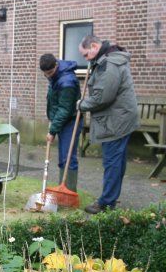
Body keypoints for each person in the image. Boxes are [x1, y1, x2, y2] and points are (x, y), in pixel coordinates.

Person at [77, 34, 139, 214]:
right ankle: (110, 198)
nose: (85, 59)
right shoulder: (108, 60)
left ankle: (106, 202)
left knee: (112, 161)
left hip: (116, 120)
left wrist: (81, 105)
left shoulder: (109, 64)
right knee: (117, 160)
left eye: (86, 55)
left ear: (95, 46)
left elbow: (103, 97)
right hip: (121, 116)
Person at [39, 53, 82, 191]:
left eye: (50, 73)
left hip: (70, 121)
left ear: (56, 65)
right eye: (45, 74)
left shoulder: (67, 82)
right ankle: (61, 189)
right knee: (63, 157)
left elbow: (64, 109)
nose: (48, 76)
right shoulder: (55, 75)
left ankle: (69, 191)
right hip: (61, 119)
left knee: (68, 157)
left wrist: (52, 131)